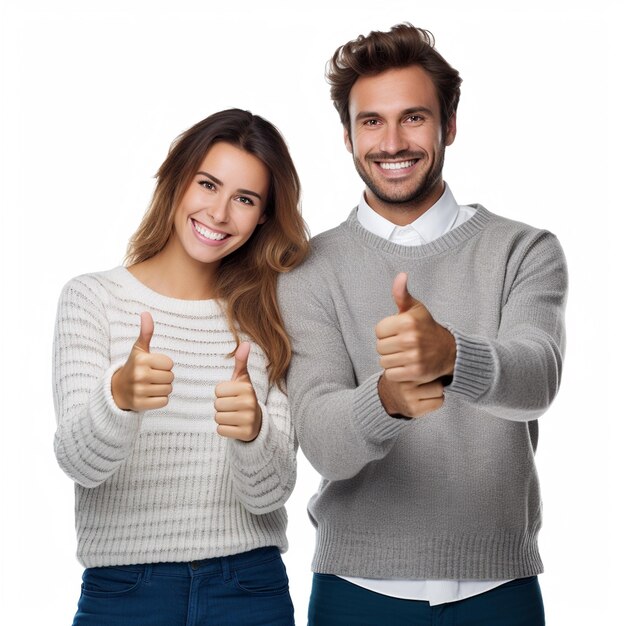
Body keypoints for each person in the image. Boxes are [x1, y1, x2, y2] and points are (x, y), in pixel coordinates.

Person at [277, 24, 567, 626]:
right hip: (355, 593)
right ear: (348, 134)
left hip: (501, 590)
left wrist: (452, 357)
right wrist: (386, 398)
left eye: (413, 118)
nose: (391, 142)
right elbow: (321, 440)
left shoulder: (525, 249)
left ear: (449, 126)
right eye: (371, 121)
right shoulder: (306, 268)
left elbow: (538, 376)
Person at [52, 108, 309, 626]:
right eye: (208, 185)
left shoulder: (269, 317)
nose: (219, 212)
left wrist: (253, 433)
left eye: (244, 199)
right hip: (124, 591)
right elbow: (79, 464)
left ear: (263, 216)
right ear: (175, 180)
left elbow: (273, 493)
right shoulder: (92, 298)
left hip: (248, 588)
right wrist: (118, 399)